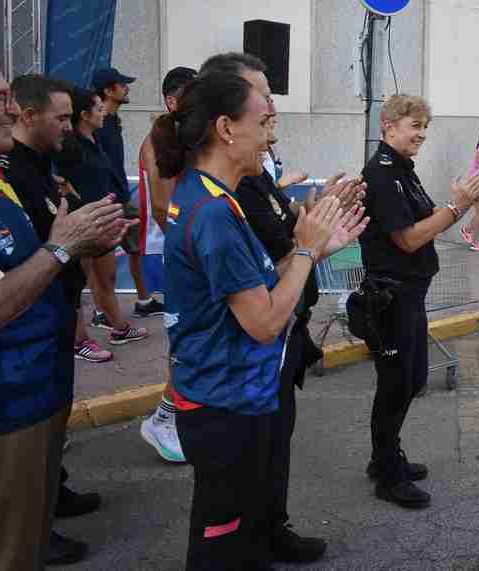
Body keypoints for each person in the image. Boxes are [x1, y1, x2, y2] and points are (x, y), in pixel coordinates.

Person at [152, 71, 361, 570]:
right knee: (222, 544)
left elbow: (261, 282)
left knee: (241, 532)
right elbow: (264, 322)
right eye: (264, 121)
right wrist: (307, 251)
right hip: (224, 403)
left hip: (233, 395)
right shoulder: (214, 213)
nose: (273, 135)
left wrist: (315, 249)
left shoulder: (215, 195)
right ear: (226, 128)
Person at [0, 55, 131, 571]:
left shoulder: (0, 182)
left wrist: (78, 241)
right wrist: (64, 247)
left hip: (33, 387)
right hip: (5, 404)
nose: (10, 110)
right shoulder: (5, 177)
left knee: (23, 538)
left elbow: (40, 258)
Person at [360, 94, 479, 509]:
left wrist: (459, 200)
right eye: (413, 125)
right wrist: (459, 206)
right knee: (396, 384)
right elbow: (410, 237)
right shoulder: (383, 173)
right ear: (388, 126)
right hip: (392, 295)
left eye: (424, 127)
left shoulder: (402, 169)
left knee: (412, 379)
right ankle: (386, 471)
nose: (421, 134)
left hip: (409, 292)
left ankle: (385, 455)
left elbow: (424, 218)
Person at [55, 87, 149, 346]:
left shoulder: (99, 138)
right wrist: (65, 189)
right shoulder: (69, 145)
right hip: (83, 221)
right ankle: (78, 340)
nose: (103, 112)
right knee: (77, 284)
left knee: (106, 278)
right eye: (98, 109)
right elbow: (53, 173)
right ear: (84, 115)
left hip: (104, 220)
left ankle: (118, 328)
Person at [139, 66, 198, 464]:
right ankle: (164, 417)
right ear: (173, 101)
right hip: (175, 255)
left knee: (193, 341)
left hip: (186, 252)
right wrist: (189, 249)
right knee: (185, 343)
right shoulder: (159, 139)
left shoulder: (182, 135)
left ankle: (172, 415)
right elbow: (162, 208)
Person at [93, 67, 162, 317]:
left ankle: (143, 301)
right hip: (107, 200)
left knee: (136, 248)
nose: (127, 88)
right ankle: (104, 314)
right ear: (108, 91)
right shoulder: (97, 124)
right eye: (122, 85)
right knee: (99, 261)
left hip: (120, 197)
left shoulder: (112, 121)